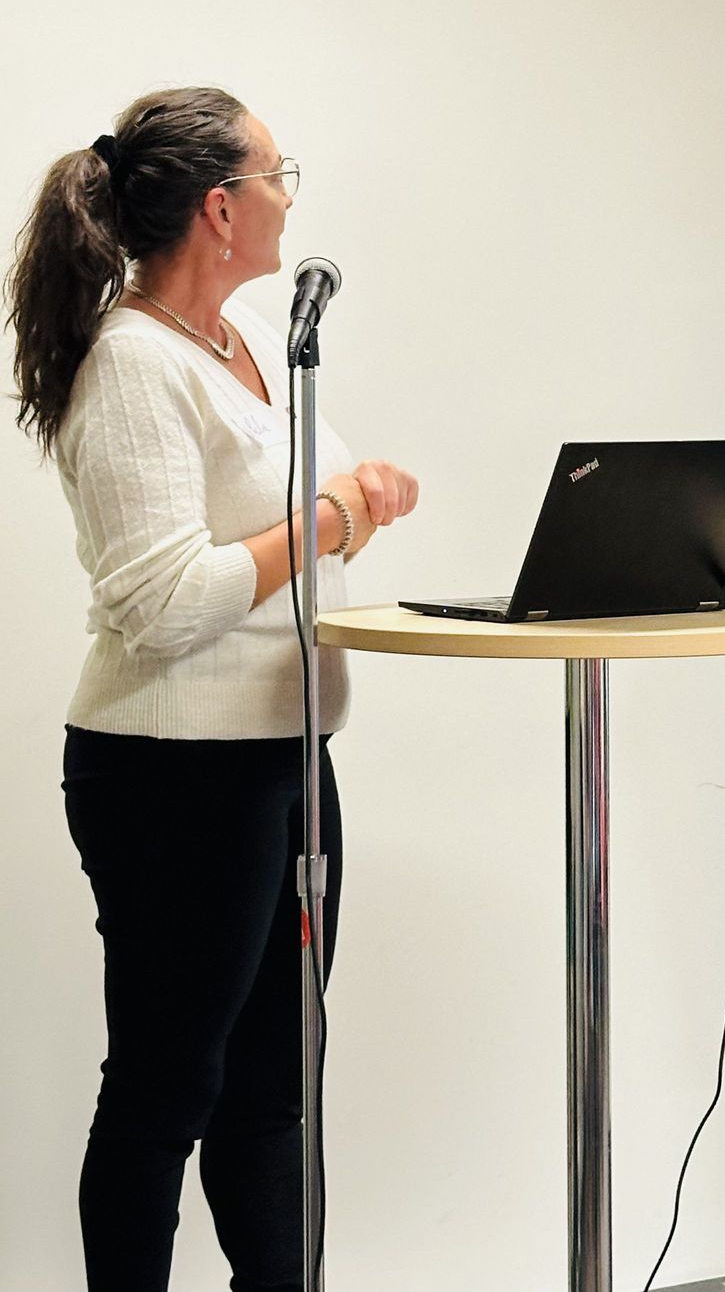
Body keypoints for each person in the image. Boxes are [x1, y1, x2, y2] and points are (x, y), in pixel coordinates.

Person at [6, 87, 418, 1292]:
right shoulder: (133, 362)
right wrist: (331, 517)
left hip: (285, 756)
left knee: (273, 1086)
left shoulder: (237, 350)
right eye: (279, 175)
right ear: (222, 209)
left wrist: (361, 500)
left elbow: (287, 524)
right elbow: (165, 600)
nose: (292, 197)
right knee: (166, 1086)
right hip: (173, 773)